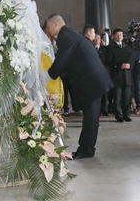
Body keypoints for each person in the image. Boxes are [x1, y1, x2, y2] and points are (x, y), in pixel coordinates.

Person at [46, 14, 114, 159]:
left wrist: (49, 74)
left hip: (92, 81)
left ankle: (86, 149)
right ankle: (87, 148)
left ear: (56, 25)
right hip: (93, 80)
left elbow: (62, 60)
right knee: (91, 118)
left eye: (49, 26)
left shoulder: (65, 36)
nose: (48, 29)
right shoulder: (70, 33)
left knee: (91, 118)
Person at [107, 28, 135, 122]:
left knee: (127, 96)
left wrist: (130, 65)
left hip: (127, 74)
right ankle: (118, 115)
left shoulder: (127, 47)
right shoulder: (111, 47)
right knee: (117, 97)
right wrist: (119, 65)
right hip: (117, 75)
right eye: (117, 35)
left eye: (121, 35)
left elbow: (132, 59)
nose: (119, 36)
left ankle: (127, 114)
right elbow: (109, 61)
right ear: (113, 36)